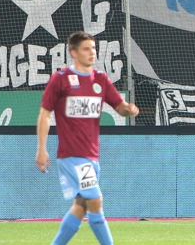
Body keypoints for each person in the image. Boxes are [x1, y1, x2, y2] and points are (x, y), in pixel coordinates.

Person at [36, 31, 139, 245]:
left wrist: (129, 110)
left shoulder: (100, 79)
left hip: (92, 155)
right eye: (86, 48)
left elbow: (119, 108)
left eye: (93, 48)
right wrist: (41, 149)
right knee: (96, 200)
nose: (92, 52)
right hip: (72, 155)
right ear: (73, 53)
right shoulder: (61, 79)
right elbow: (45, 114)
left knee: (81, 206)